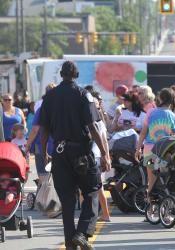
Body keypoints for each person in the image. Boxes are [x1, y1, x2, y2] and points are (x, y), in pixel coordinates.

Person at [39, 61, 111, 250]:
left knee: (67, 201)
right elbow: (93, 126)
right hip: (82, 152)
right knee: (92, 191)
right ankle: (82, 233)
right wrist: (104, 153)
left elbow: (44, 128)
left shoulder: (49, 97)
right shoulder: (83, 94)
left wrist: (45, 150)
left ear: (61, 75)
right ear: (76, 75)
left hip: (60, 153)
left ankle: (71, 243)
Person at [136, 88, 175, 195]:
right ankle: (163, 204)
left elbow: (143, 133)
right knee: (163, 180)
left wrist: (138, 149)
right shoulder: (174, 117)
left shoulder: (151, 112)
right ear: (172, 100)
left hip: (149, 151)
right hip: (164, 152)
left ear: (160, 98)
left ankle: (151, 206)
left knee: (151, 180)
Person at [26, 85, 57, 183]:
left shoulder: (42, 109)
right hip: (59, 146)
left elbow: (35, 130)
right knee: (58, 175)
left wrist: (27, 145)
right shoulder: (62, 108)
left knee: (43, 175)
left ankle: (44, 197)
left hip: (41, 146)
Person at [91, 91, 111, 222]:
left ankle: (104, 214)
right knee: (99, 188)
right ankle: (104, 214)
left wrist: (107, 157)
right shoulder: (100, 123)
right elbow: (105, 142)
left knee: (89, 189)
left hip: (93, 156)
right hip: (98, 156)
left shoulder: (95, 123)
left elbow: (104, 141)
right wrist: (107, 157)